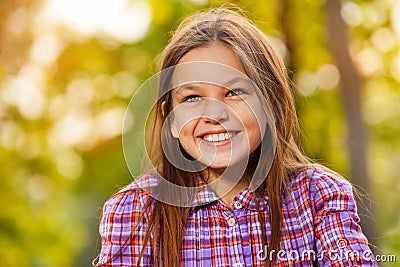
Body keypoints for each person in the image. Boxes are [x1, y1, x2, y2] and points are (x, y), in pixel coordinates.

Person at [94, 7, 377, 267]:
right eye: (192, 97)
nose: (214, 114)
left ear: (272, 103)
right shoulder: (133, 212)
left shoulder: (318, 196)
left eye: (234, 92)